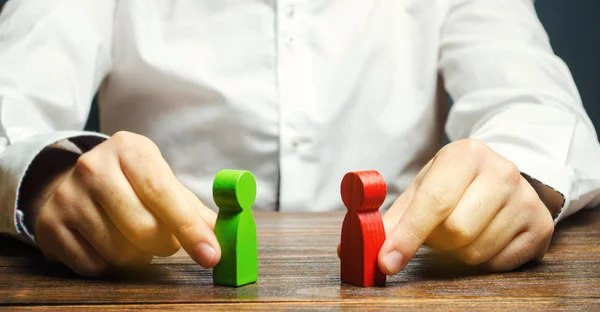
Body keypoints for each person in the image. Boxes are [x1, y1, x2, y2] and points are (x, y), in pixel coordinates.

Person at [1, 0, 599, 278]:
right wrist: (46, 173)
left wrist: (517, 174)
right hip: (166, 278)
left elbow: (538, 106)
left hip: (401, 277)